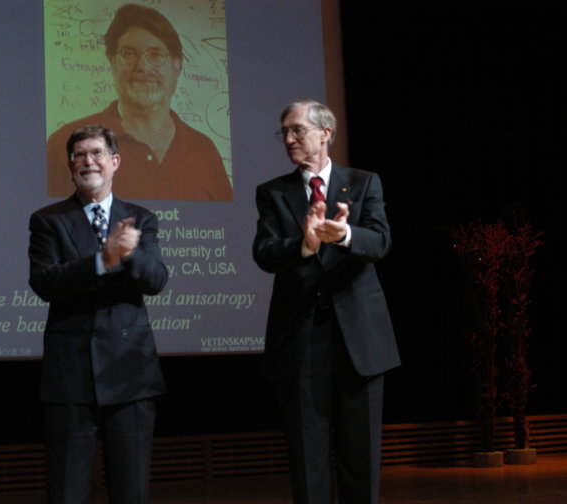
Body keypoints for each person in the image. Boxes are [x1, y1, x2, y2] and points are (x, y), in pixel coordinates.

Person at [252, 99, 400, 504]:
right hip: (300, 341)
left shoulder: (364, 182)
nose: (289, 139)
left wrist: (345, 235)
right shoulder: (273, 192)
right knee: (308, 460)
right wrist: (304, 244)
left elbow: (380, 241)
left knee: (361, 459)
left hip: (360, 341)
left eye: (297, 130)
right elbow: (264, 253)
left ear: (325, 133)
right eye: (284, 132)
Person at [29, 124, 168, 504]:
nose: (88, 161)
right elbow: (44, 282)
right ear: (70, 165)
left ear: (115, 161)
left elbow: (156, 280)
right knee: (68, 492)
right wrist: (102, 261)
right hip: (70, 378)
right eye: (79, 155)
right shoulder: (48, 220)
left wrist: (130, 253)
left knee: (131, 491)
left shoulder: (141, 219)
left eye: (97, 153)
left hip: (130, 375)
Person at [46, 3, 232, 202]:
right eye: (129, 54)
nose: (143, 66)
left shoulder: (203, 151)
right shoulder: (64, 145)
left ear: (177, 66)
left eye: (156, 55)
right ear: (112, 63)